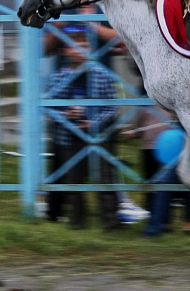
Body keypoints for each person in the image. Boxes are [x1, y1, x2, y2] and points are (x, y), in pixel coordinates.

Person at [45, 26, 122, 230]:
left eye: (84, 45)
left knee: (106, 179)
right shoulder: (59, 77)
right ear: (65, 51)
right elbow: (49, 108)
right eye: (73, 46)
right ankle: (78, 221)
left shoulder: (101, 75)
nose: (79, 50)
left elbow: (111, 107)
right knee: (74, 181)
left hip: (99, 135)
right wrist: (65, 115)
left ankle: (111, 221)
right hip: (69, 136)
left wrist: (95, 123)